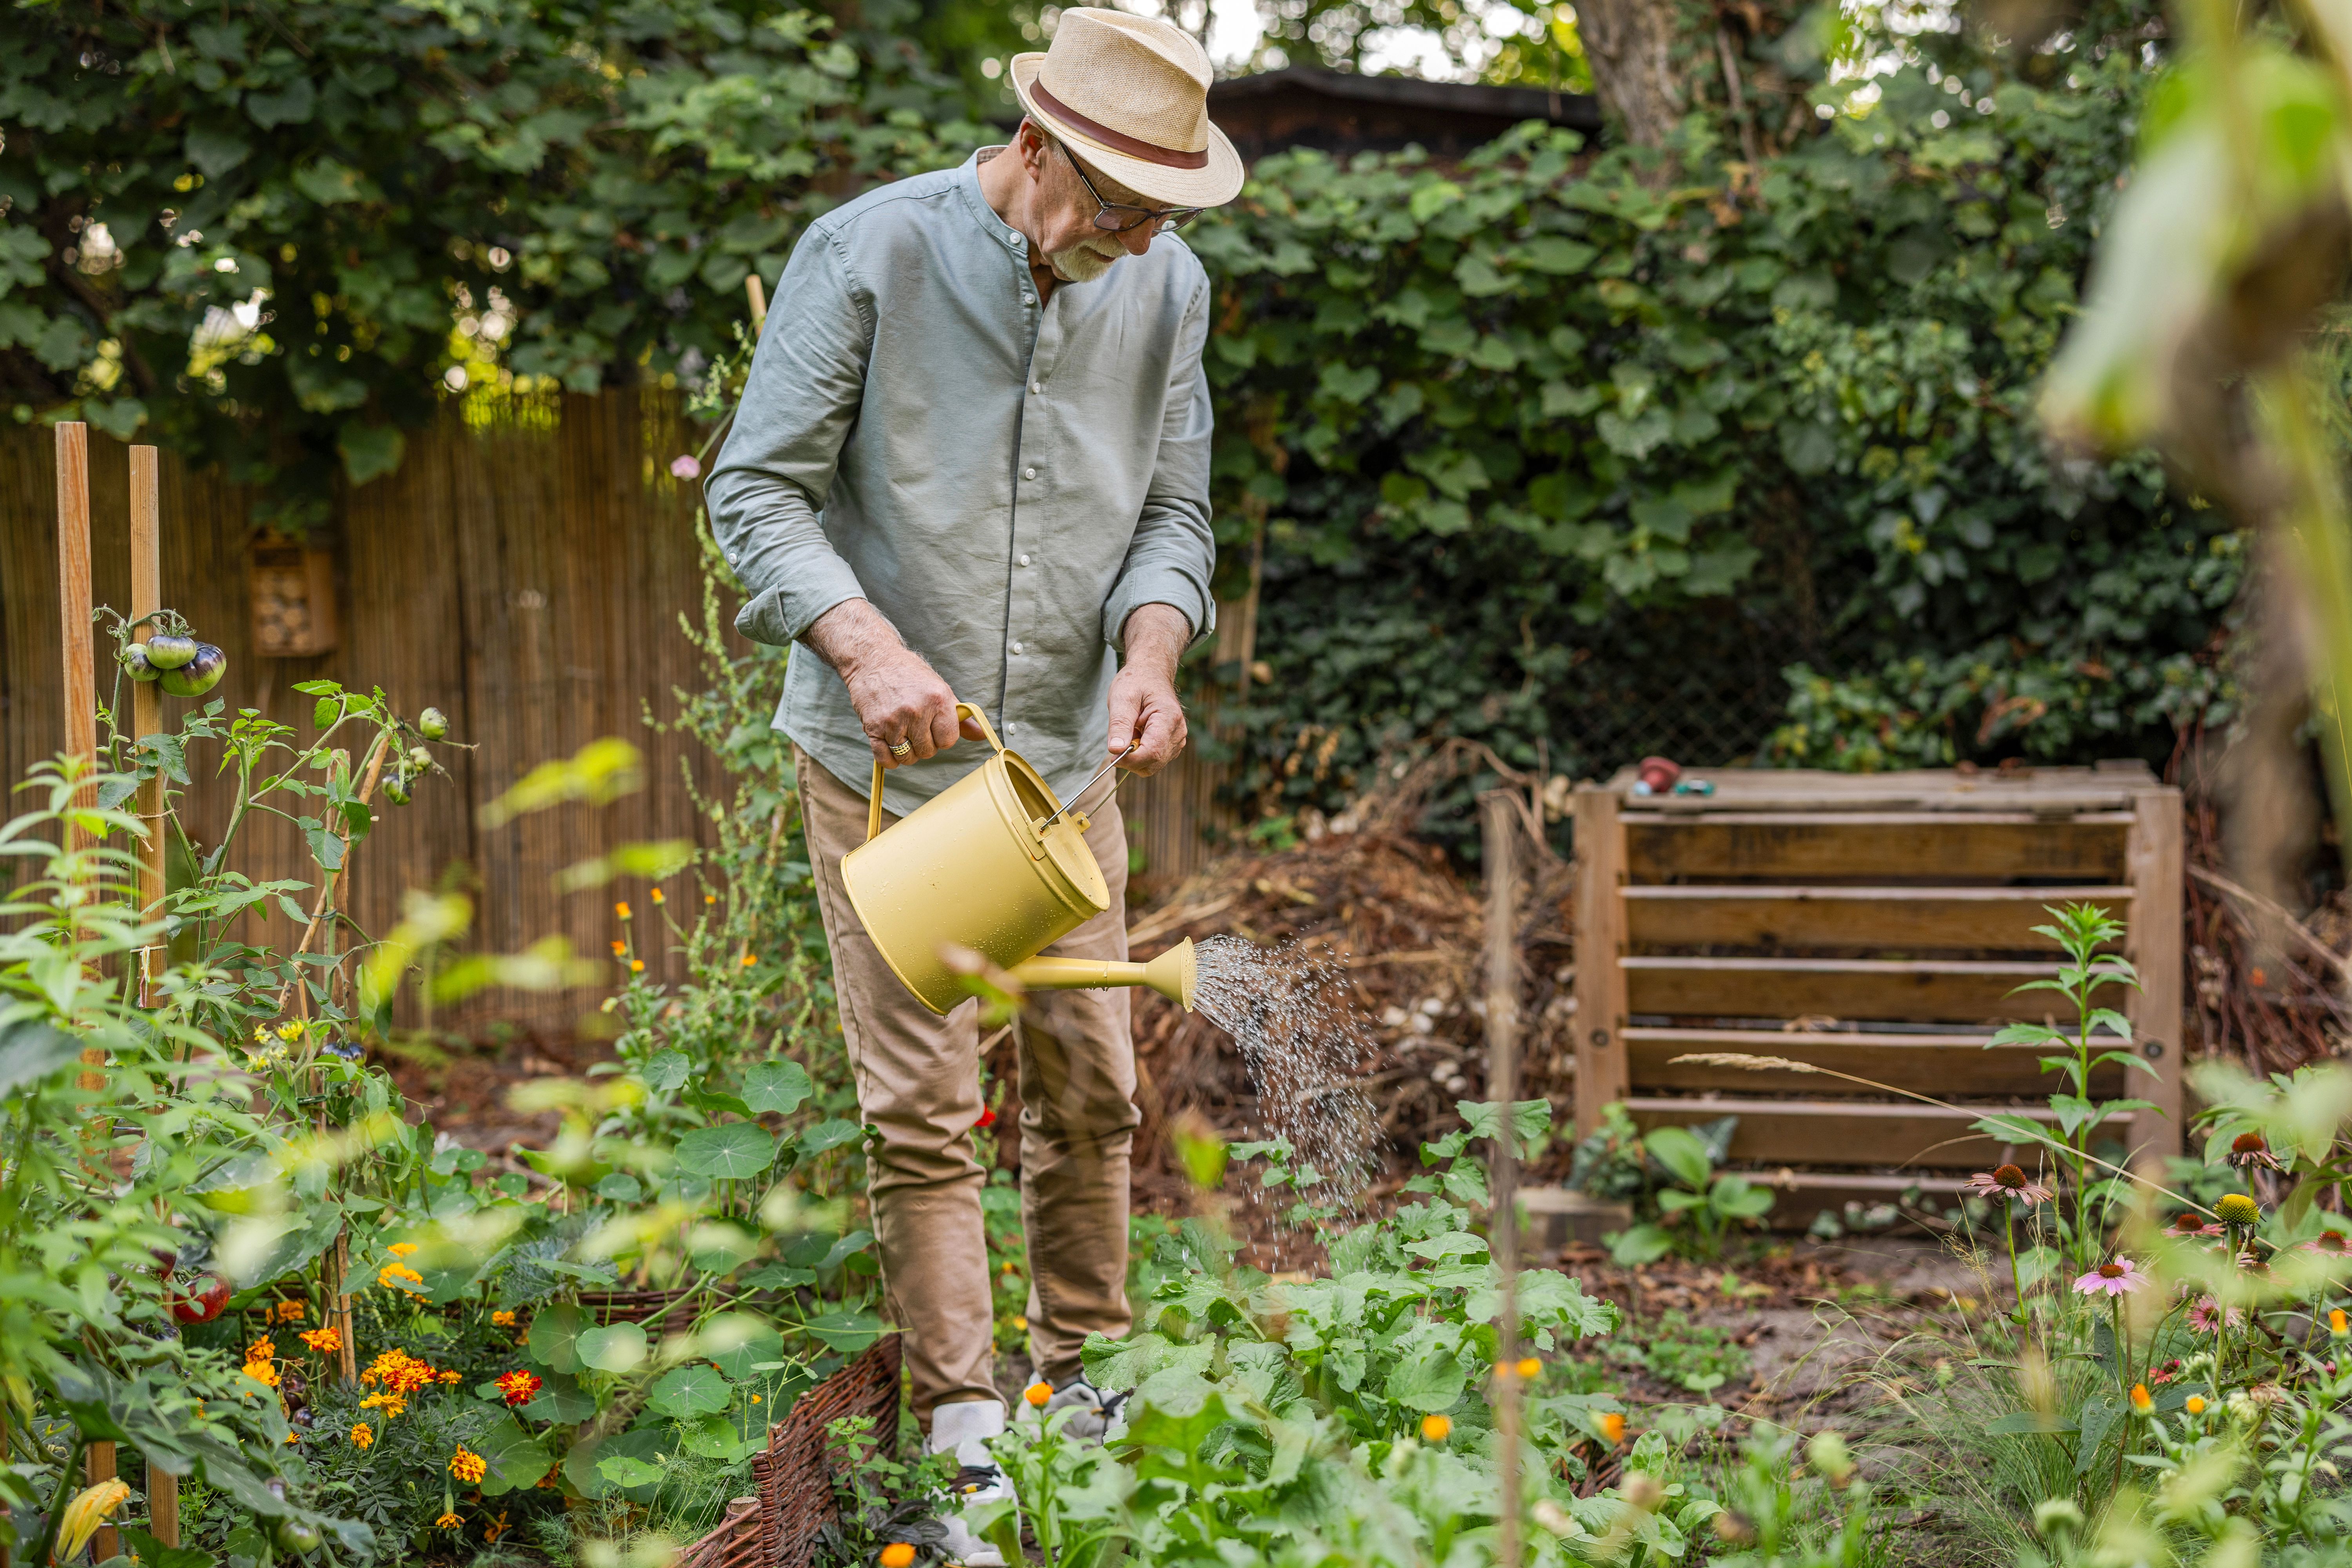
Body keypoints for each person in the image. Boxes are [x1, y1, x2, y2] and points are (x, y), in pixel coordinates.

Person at [704, 8, 1243, 1562]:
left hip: (1060, 771)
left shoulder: (1168, 288)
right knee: (928, 1106)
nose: (1146, 242)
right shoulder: (869, 254)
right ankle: (960, 1429)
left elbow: (1175, 517)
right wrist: (865, 646)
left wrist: (1152, 653)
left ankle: (1084, 1385)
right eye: (1127, 209)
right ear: (1034, 150)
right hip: (896, 774)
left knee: (1094, 1086)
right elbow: (756, 490)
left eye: (1167, 216)